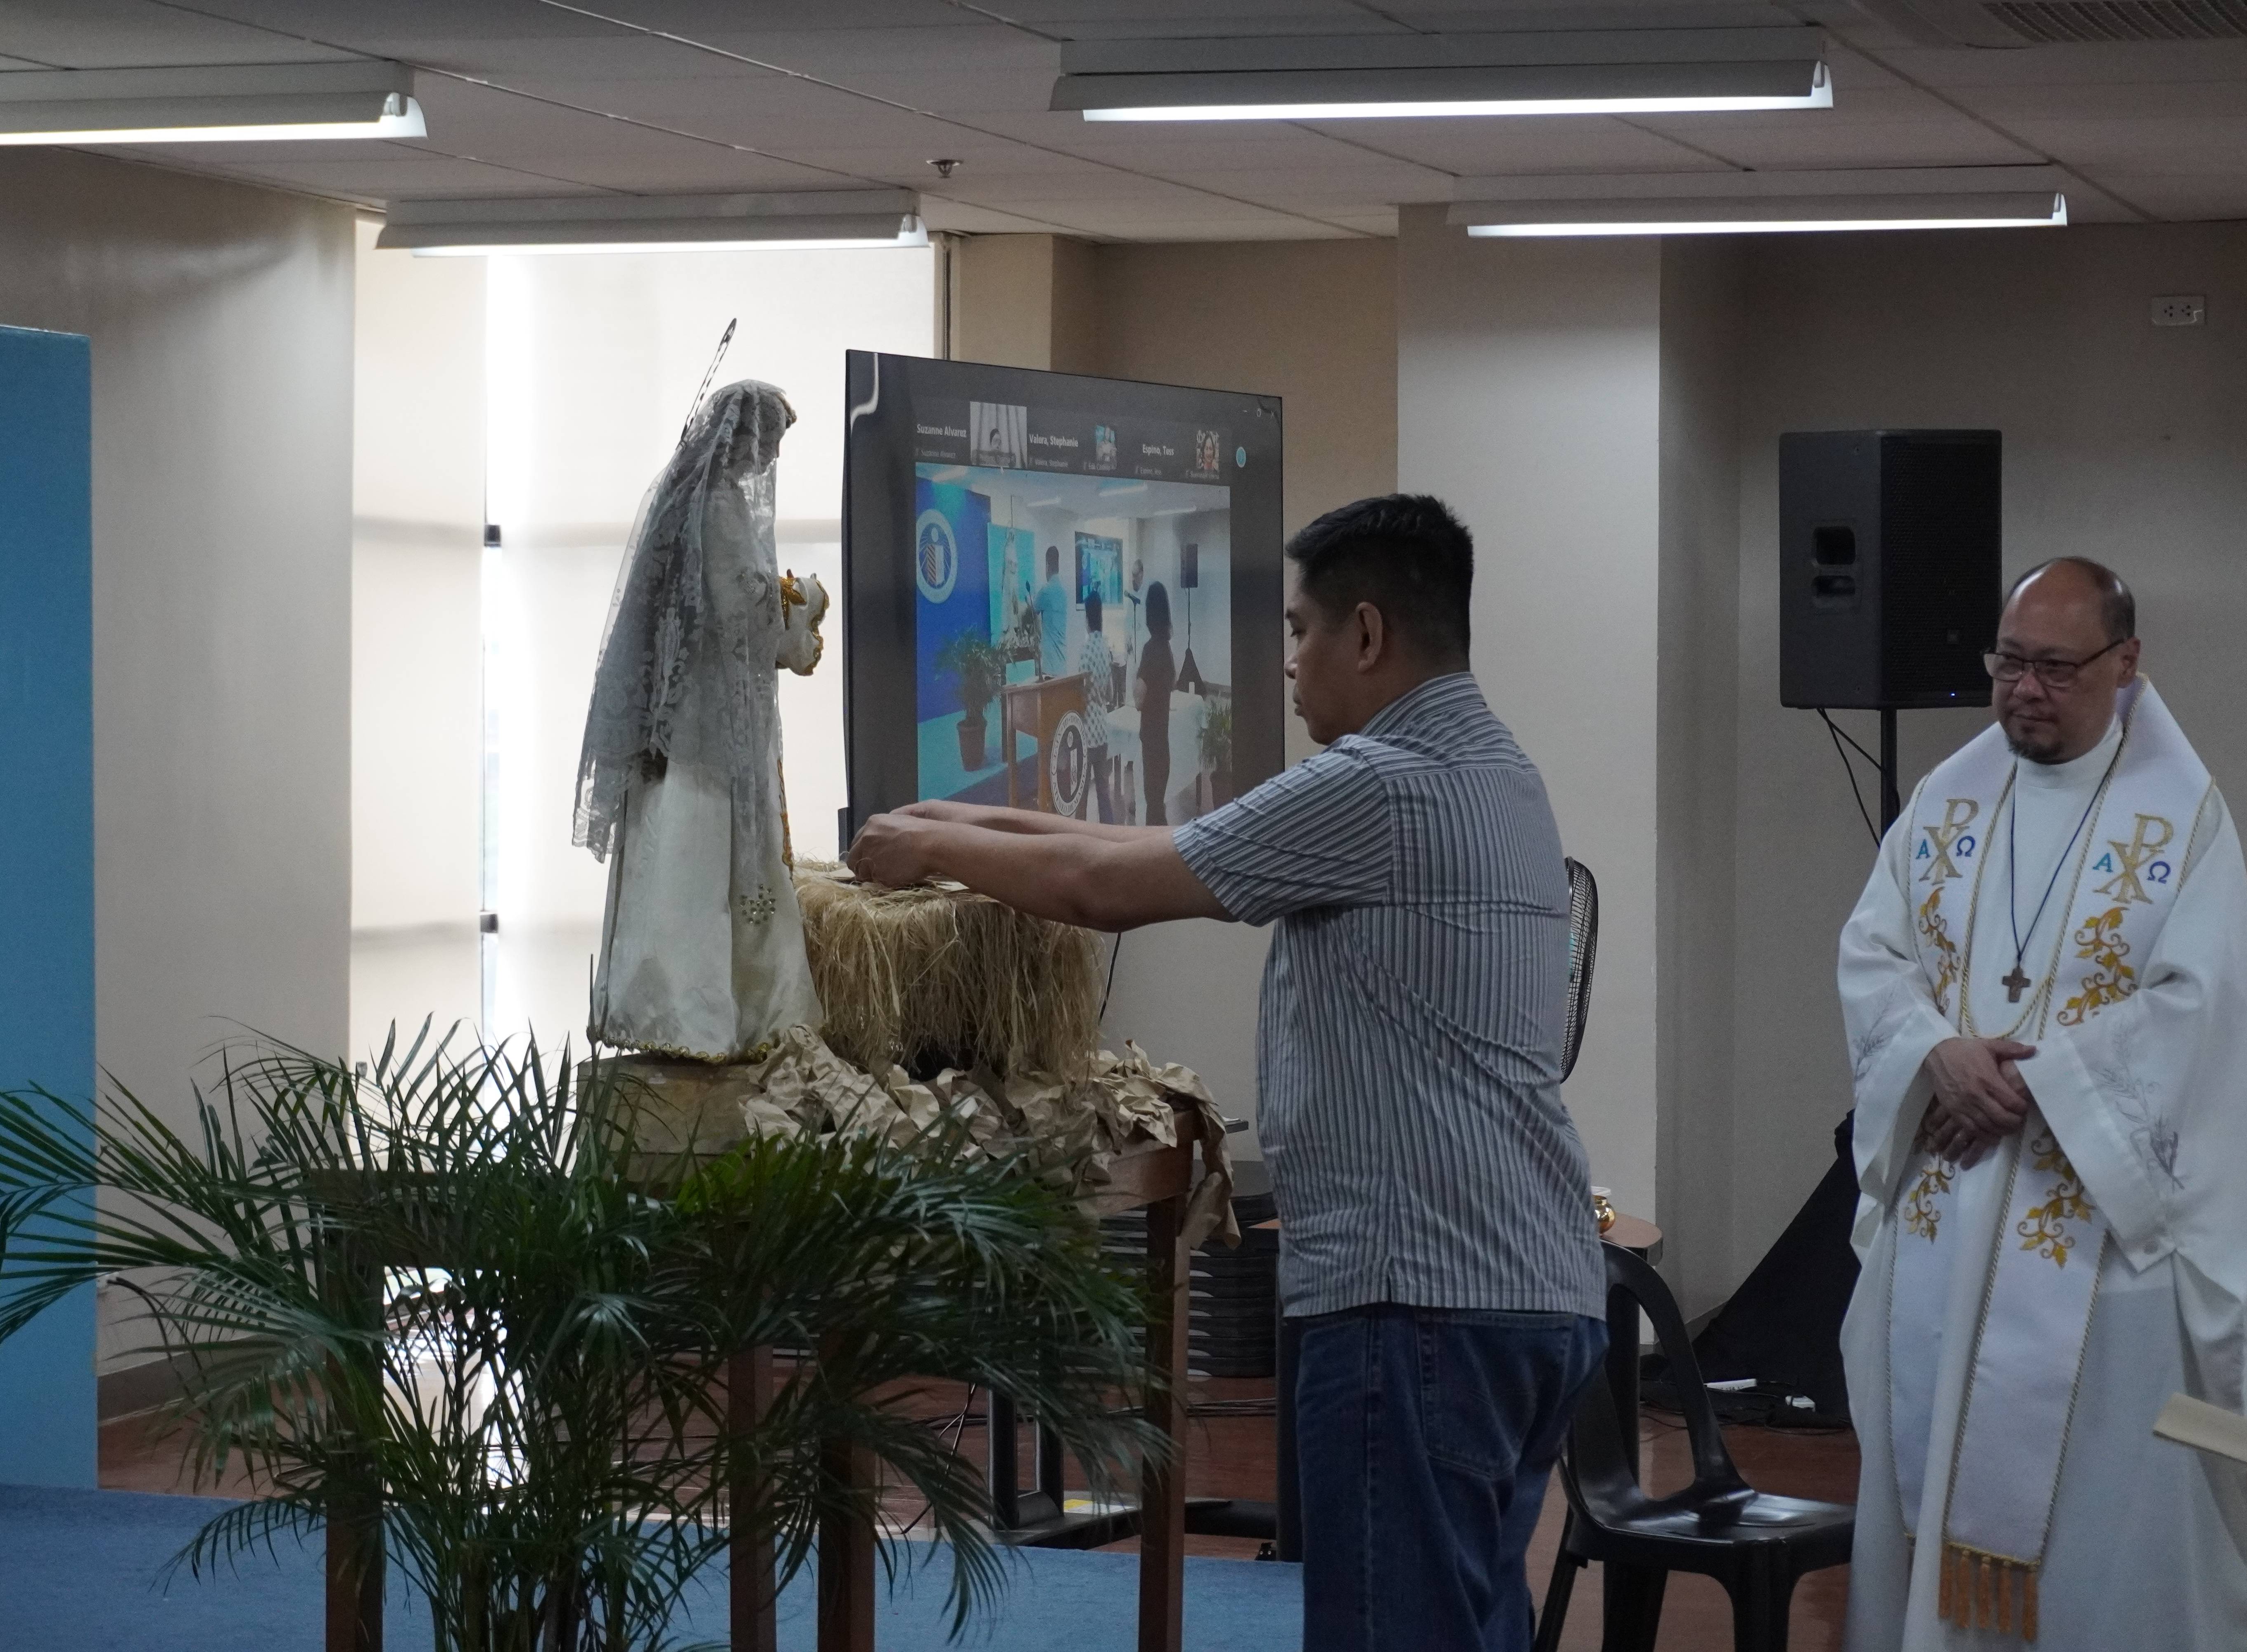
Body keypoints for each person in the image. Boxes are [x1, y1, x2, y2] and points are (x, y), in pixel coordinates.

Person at [846, 494, 1606, 1652]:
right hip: (1527, 1293)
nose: (1288, 663)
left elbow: (1108, 891)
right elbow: (1157, 849)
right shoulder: (1498, 772)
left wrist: (932, 849)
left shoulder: (1376, 784)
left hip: (1414, 1302)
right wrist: (965, 819)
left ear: (1366, 632)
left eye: (1299, 630)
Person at [1835, 557, 2247, 1651]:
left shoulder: (2182, 819)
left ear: (2127, 664)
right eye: (2010, 663)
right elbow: (1874, 953)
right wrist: (1937, 1053)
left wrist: (2040, 1082)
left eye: (2058, 668)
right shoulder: (1948, 800)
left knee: (2096, 1537)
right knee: (1928, 1474)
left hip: (2095, 1232)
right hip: (1946, 1208)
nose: (2026, 689)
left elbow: (2199, 1006)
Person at [574, 380, 827, 1059]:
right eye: (769, 442)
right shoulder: (717, 506)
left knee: (681, 861)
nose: (772, 457)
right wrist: (799, 601)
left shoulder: (690, 498)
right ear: (743, 440)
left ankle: (677, 1012)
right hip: (704, 728)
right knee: (698, 862)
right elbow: (736, 605)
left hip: (691, 716)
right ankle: (697, 1018)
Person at [1135, 580, 1174, 826]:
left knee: (1153, 809)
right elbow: (1171, 682)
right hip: (1163, 740)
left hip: (1151, 739)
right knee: (1158, 806)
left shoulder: (1150, 650)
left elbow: (1139, 700)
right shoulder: (1168, 650)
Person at [1078, 586, 1116, 823]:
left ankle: (1079, 837)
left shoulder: (1086, 650)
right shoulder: (1105, 648)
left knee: (1081, 794)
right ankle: (1108, 833)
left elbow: (1081, 695)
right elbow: (1110, 694)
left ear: (1087, 618)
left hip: (1087, 731)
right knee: (1103, 792)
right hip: (1103, 728)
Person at [1033, 542, 1069, 677]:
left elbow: (1033, 610)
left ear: (1047, 565)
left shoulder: (1046, 591)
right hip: (1062, 665)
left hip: (1049, 666)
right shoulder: (1063, 593)